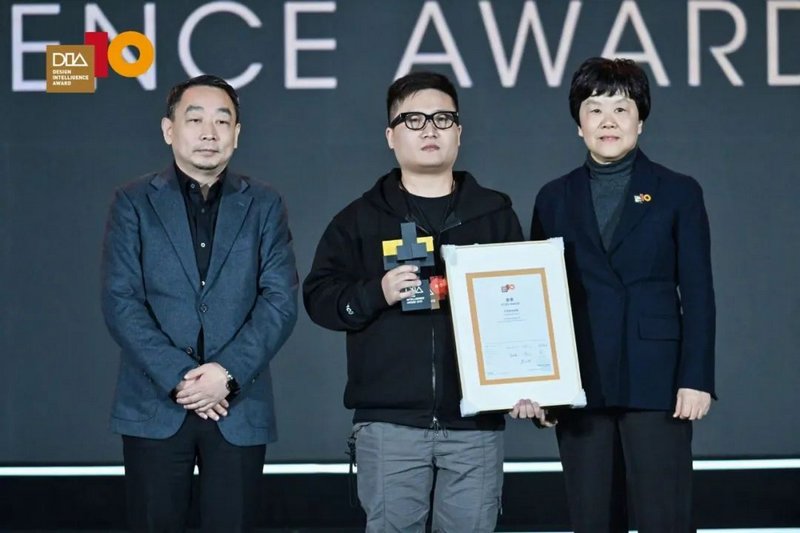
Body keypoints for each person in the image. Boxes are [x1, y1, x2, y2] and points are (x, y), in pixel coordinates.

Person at [303, 71, 530, 532]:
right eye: (414, 120)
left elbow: (522, 310)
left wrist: (526, 381)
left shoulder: (494, 216)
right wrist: (377, 292)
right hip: (390, 424)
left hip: (474, 422)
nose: (430, 129)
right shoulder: (359, 219)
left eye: (443, 119)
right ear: (391, 136)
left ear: (459, 132)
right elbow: (319, 297)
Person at [101, 74, 298, 532]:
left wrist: (225, 375)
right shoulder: (133, 201)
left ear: (237, 133)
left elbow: (279, 300)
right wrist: (181, 379)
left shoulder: (265, 204)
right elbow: (120, 300)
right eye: (195, 120)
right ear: (169, 129)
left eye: (222, 121)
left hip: (237, 403)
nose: (209, 132)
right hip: (155, 402)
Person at [530, 57, 716, 531]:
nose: (608, 121)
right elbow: (539, 300)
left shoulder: (678, 192)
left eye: (621, 108)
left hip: (658, 382)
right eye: (595, 109)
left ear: (641, 121)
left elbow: (698, 292)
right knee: (592, 519)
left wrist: (696, 378)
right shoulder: (553, 198)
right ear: (579, 124)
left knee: (664, 518)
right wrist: (540, 384)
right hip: (579, 384)